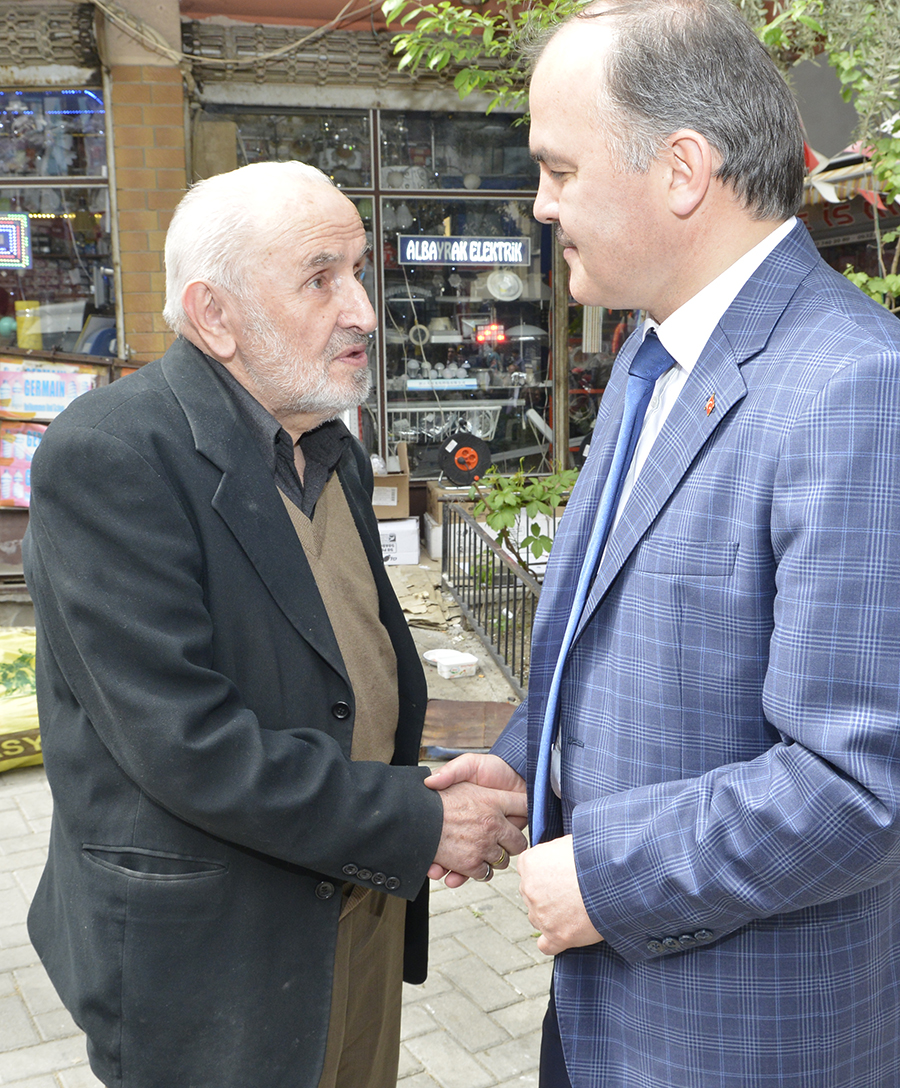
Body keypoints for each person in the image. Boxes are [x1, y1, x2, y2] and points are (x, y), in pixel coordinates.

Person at [424, 2, 900, 1086]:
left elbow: (867, 782)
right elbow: (618, 631)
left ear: (682, 170)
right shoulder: (653, 356)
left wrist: (607, 874)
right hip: (620, 1018)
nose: (540, 204)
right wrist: (530, 758)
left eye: (559, 169)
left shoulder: (864, 395)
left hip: (763, 1041)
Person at [24, 160, 527, 1088]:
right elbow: (185, 743)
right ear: (215, 316)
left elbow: (336, 668)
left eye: (359, 271)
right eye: (320, 278)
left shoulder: (330, 447)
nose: (363, 311)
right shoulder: (110, 455)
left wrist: (419, 797)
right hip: (218, 963)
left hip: (356, 908)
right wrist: (416, 821)